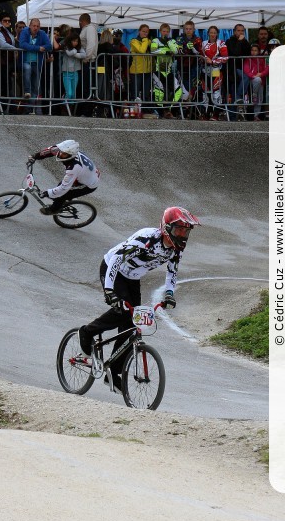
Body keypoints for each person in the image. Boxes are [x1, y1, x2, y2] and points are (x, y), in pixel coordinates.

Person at [77, 207, 201, 391]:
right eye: (179, 230)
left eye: (186, 231)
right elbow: (117, 259)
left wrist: (169, 295)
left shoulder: (176, 249)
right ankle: (87, 332)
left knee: (133, 324)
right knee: (122, 311)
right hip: (114, 270)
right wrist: (110, 291)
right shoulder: (146, 238)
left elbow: (172, 272)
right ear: (166, 228)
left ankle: (113, 371)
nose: (183, 235)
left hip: (133, 278)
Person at [29, 139, 100, 215]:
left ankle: (54, 209)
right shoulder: (67, 151)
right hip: (88, 175)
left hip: (88, 185)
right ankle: (62, 201)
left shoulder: (74, 168)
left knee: (62, 194)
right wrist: (35, 156)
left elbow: (63, 188)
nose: (60, 155)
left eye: (64, 154)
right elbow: (51, 150)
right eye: (61, 152)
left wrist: (47, 193)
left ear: (71, 155)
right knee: (59, 191)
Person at [19, 18, 52, 115]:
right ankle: (27, 91)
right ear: (29, 26)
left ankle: (32, 108)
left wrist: (40, 48)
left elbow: (49, 46)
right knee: (27, 69)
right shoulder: (24, 32)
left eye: (37, 26)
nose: (36, 28)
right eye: (34, 26)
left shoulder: (42, 33)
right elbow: (23, 44)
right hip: (25, 61)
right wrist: (38, 48)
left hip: (37, 63)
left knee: (36, 86)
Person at [150, 22, 181, 118]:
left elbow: (176, 51)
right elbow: (153, 50)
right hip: (158, 70)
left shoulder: (172, 41)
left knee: (177, 90)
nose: (165, 33)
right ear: (160, 31)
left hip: (169, 71)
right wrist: (166, 51)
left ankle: (168, 109)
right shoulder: (155, 40)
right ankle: (160, 111)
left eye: (167, 31)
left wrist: (168, 42)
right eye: (163, 31)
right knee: (159, 91)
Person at [201, 25, 228, 120]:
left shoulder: (221, 43)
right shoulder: (203, 43)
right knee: (205, 92)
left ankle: (216, 114)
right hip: (205, 71)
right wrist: (203, 59)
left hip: (216, 70)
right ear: (208, 33)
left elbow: (225, 57)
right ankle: (206, 114)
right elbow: (200, 55)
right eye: (211, 32)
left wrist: (212, 61)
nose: (213, 34)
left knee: (216, 91)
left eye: (214, 33)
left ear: (217, 34)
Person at [129, 24, 152, 112]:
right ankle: (134, 111)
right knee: (135, 93)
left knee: (146, 93)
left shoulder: (149, 41)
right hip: (136, 71)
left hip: (147, 71)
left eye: (147, 32)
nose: (145, 33)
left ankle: (145, 111)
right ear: (139, 31)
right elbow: (142, 50)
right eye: (143, 31)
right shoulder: (134, 41)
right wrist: (146, 40)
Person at [243, 43, 269, 121]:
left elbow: (267, 69)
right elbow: (246, 69)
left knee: (260, 99)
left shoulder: (262, 59)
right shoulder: (248, 59)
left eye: (255, 50)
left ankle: (256, 115)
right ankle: (254, 94)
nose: (253, 52)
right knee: (257, 81)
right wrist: (253, 76)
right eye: (252, 50)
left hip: (261, 81)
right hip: (252, 80)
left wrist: (261, 74)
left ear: (258, 51)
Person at [60, 31, 86, 101]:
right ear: (70, 40)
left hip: (75, 73)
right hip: (66, 73)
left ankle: (70, 110)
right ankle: (65, 106)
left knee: (73, 94)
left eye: (77, 41)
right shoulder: (66, 46)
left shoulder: (79, 47)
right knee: (69, 93)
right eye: (74, 41)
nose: (75, 43)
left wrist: (76, 54)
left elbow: (84, 55)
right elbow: (69, 53)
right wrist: (76, 51)